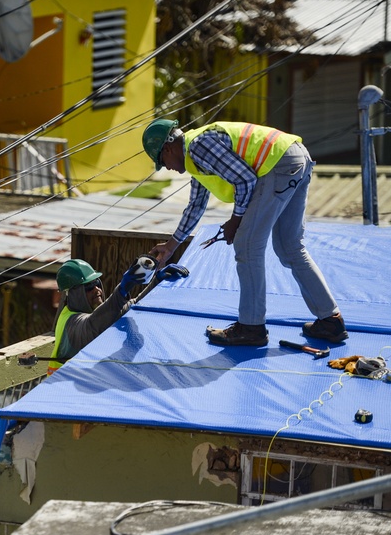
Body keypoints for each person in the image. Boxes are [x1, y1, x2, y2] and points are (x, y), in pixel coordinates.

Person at [142, 119, 347, 347]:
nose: (167, 167)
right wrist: (171, 246)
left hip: (278, 164)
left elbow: (245, 180)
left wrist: (235, 221)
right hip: (296, 157)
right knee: (290, 247)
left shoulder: (199, 147)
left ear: (168, 148)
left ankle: (251, 328)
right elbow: (196, 205)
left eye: (162, 161)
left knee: (247, 246)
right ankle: (331, 320)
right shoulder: (195, 157)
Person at [48, 256, 189, 374]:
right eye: (89, 286)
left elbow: (132, 307)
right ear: (74, 293)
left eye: (97, 282)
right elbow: (93, 325)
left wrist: (157, 282)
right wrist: (122, 289)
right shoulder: (71, 322)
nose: (97, 289)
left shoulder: (87, 311)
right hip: (62, 393)